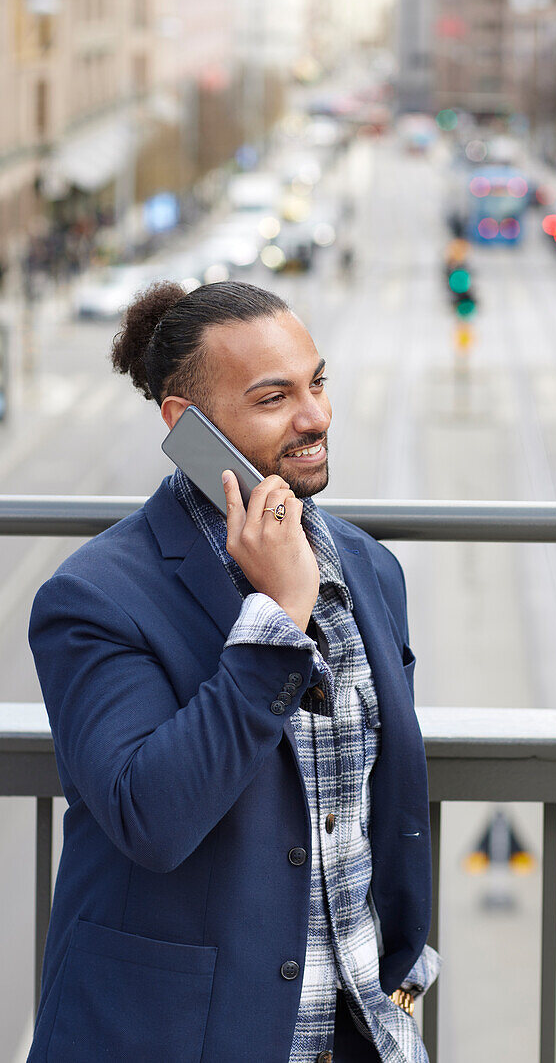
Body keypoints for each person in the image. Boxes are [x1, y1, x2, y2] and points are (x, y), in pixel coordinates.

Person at [27, 280, 440, 1062]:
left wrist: (400, 977)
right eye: (274, 397)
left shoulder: (367, 569)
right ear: (189, 427)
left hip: (360, 1036)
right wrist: (278, 619)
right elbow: (152, 817)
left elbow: (377, 806)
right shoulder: (93, 597)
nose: (315, 416)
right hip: (181, 1039)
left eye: (317, 383)